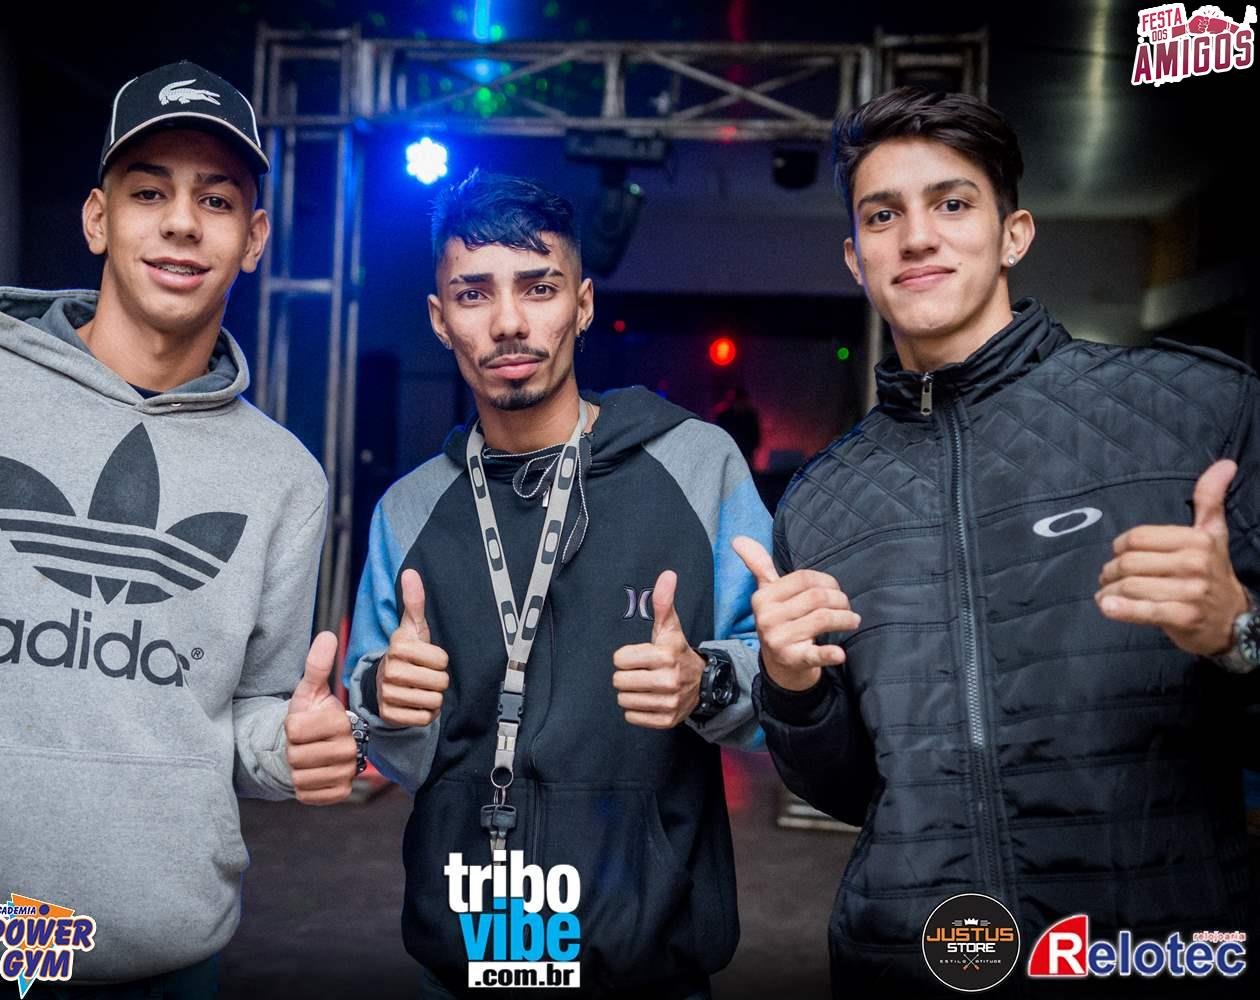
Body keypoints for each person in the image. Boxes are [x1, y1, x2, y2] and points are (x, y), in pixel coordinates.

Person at [0, 60, 362, 993]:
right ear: (96, 218)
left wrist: (294, 748)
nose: (181, 221)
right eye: (149, 191)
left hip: (162, 959)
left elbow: (252, 713)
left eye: (216, 199)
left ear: (254, 239)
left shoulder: (285, 474)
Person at [734, 87, 1259, 995]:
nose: (917, 237)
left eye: (951, 203)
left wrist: (1238, 631)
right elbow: (850, 790)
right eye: (883, 215)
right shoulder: (821, 503)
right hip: (914, 962)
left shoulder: (1196, 415)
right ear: (856, 258)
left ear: (1013, 234)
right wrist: (792, 689)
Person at [344, 170, 772, 998]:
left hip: (648, 964)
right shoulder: (410, 510)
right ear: (439, 318)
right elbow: (386, 736)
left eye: (538, 288)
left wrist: (707, 679)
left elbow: (780, 688)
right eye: (473, 294)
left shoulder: (696, 465)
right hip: (467, 960)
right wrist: (388, 702)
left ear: (581, 304)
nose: (508, 322)